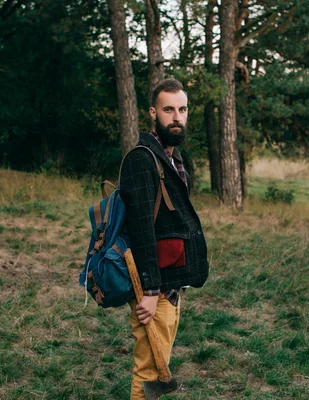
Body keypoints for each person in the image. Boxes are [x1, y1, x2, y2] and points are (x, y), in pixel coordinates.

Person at [119, 78, 209, 399]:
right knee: (148, 371)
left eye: (182, 109)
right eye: (168, 109)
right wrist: (150, 291)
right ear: (153, 114)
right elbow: (141, 228)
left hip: (170, 285)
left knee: (159, 367)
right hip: (153, 289)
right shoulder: (142, 159)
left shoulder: (173, 157)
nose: (176, 116)